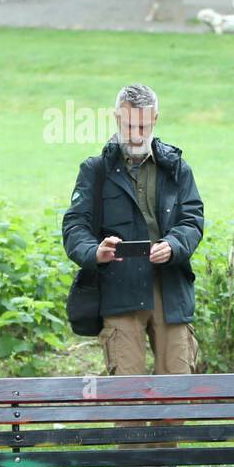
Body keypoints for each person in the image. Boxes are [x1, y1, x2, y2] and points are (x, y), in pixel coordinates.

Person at [62, 84, 205, 381]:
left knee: (178, 395)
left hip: (170, 290)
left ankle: (171, 430)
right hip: (119, 290)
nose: (137, 134)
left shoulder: (177, 168)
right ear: (116, 118)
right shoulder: (95, 170)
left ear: (155, 119)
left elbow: (192, 220)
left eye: (143, 125)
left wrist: (174, 244)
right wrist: (95, 252)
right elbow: (74, 226)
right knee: (129, 403)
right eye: (129, 125)